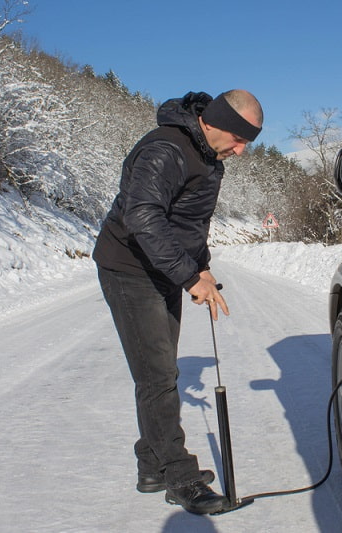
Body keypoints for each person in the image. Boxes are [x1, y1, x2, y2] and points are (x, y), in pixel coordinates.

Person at [93, 90, 263, 515]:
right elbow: (143, 217)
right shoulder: (166, 149)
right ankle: (180, 477)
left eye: (248, 143)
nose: (241, 151)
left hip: (163, 268)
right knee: (158, 376)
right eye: (240, 139)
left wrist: (200, 266)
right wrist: (188, 275)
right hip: (130, 268)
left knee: (161, 368)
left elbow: (189, 220)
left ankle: (152, 465)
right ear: (216, 122)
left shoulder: (209, 155)